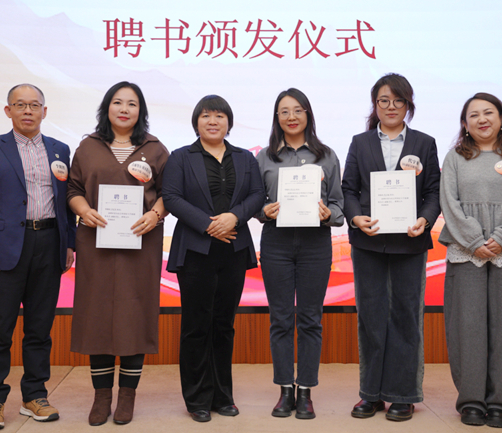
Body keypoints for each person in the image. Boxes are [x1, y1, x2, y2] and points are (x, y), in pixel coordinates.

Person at [0, 84, 76, 431]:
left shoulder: (60, 149)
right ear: (8, 110)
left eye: (34, 105)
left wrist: (70, 243)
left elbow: (66, 202)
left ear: (45, 111)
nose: (28, 111)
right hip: (5, 249)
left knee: (40, 328)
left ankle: (35, 395)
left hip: (50, 243)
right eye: (20, 105)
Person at [67, 82, 169, 426]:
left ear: (141, 111)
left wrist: (155, 214)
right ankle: (101, 397)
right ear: (106, 107)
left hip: (141, 243)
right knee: (97, 314)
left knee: (134, 314)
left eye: (132, 104)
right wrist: (83, 209)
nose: (124, 109)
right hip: (95, 242)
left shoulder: (155, 149)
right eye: (117, 102)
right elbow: (73, 188)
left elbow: (170, 193)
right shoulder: (88, 147)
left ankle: (127, 396)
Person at [341, 73, 441, 422]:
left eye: (399, 100)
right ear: (375, 104)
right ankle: (370, 394)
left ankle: (402, 395)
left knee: (405, 316)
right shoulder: (360, 142)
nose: (391, 107)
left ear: (408, 104)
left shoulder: (424, 143)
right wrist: (356, 218)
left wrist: (424, 220)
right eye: (384, 100)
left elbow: (433, 191)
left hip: (409, 242)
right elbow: (348, 189)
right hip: (368, 241)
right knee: (370, 316)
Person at [162, 95, 265, 423]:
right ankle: (197, 398)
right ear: (196, 122)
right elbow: (171, 197)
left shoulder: (244, 158)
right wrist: (209, 225)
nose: (213, 121)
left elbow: (257, 195)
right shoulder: (181, 157)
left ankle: (223, 395)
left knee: (224, 324)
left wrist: (233, 217)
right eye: (206, 115)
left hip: (233, 250)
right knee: (196, 325)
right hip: (196, 250)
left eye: (219, 116)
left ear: (228, 122)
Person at [439, 93, 502, 428]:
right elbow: (449, 202)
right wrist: (474, 241)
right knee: (467, 327)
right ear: (465, 124)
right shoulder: (455, 157)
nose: (482, 119)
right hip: (466, 252)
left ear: (501, 117)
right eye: (474, 115)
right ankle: (471, 402)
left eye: (488, 112)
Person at [255, 88, 344, 419]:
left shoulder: (327, 155)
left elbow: (339, 204)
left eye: (297, 110)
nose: (291, 117)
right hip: (276, 243)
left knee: (310, 318)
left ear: (308, 114)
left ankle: (305, 390)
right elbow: (255, 202)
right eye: (284, 111)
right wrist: (264, 210)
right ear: (276, 118)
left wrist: (329, 214)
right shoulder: (264, 157)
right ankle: (284, 390)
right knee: (280, 318)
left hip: (314, 244)